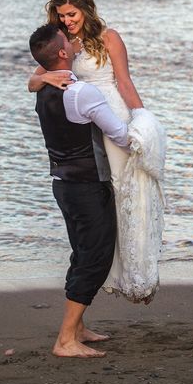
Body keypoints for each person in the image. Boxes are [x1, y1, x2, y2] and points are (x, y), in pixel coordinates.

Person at [28, 0, 165, 304]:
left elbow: (124, 81)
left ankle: (133, 272)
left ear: (86, 9)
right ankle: (103, 270)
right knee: (98, 200)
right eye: (61, 16)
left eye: (72, 14)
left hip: (113, 118)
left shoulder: (109, 38)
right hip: (82, 125)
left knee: (123, 191)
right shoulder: (62, 44)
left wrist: (141, 119)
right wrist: (46, 78)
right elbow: (33, 80)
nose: (67, 21)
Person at [29, 23, 130, 358]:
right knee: (95, 258)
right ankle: (65, 340)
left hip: (63, 186)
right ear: (61, 53)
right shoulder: (82, 92)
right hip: (88, 186)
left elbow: (37, 78)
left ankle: (79, 327)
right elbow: (118, 134)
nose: (73, 43)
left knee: (80, 254)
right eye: (66, 42)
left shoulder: (43, 88)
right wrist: (145, 138)